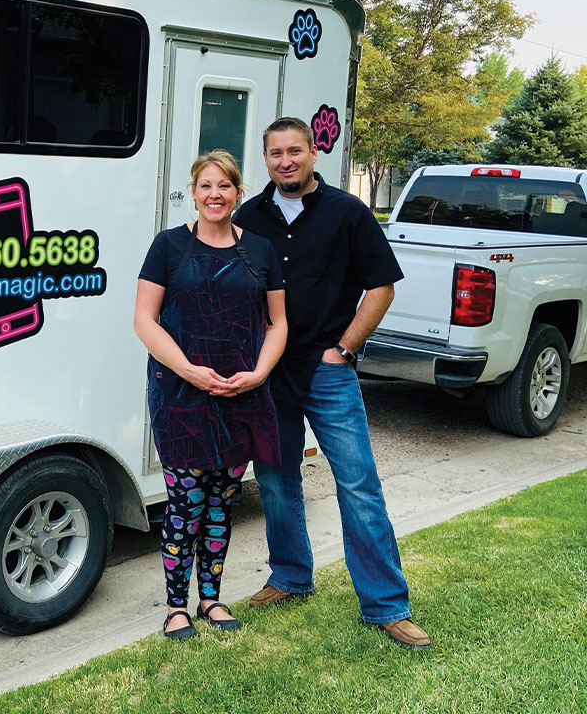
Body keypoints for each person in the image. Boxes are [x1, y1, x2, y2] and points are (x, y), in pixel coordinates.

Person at [232, 116, 430, 650]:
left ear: (314, 151)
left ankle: (387, 605)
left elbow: (382, 287)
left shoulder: (348, 213)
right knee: (275, 480)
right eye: (275, 153)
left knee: (358, 484)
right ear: (266, 158)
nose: (285, 161)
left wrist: (344, 349)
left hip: (327, 372)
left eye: (294, 150)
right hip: (270, 374)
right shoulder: (247, 219)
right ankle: (291, 576)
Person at [134, 149, 287, 640]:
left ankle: (211, 600)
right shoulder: (168, 246)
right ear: (193, 192)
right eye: (206, 186)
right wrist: (189, 371)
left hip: (241, 392)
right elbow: (144, 320)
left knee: (223, 501)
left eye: (224, 186)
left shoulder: (261, 250)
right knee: (185, 502)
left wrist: (260, 373)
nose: (215, 195)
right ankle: (176, 607)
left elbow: (278, 322)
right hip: (181, 394)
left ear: (238, 192)